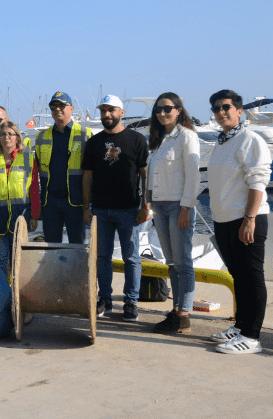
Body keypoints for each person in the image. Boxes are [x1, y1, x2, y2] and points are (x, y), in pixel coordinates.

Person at [206, 89, 271, 354]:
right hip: (224, 220)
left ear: (239, 111)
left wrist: (250, 218)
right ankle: (241, 326)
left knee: (252, 277)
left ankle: (252, 337)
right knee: (238, 276)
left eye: (226, 107)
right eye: (216, 108)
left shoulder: (249, 139)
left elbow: (258, 181)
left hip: (245, 219)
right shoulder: (221, 142)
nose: (221, 112)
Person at [83, 95, 149, 321]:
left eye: (111, 110)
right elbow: (87, 176)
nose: (107, 114)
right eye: (103, 111)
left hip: (129, 209)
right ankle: (105, 299)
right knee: (102, 257)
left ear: (122, 112)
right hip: (100, 210)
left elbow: (145, 174)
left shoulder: (136, 139)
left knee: (131, 258)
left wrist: (145, 205)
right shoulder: (94, 142)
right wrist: (86, 207)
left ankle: (131, 301)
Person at [145, 93, 201, 334]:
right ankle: (177, 310)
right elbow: (151, 176)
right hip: (159, 206)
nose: (162, 113)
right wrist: (147, 202)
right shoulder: (158, 140)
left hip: (178, 205)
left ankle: (183, 314)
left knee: (183, 262)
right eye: (158, 109)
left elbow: (193, 175)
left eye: (167, 108)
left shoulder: (186, 136)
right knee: (171, 263)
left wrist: (186, 208)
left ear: (178, 110)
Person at [0, 121, 39, 275]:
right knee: (1, 259)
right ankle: (3, 289)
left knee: (19, 259)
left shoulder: (28, 159)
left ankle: (17, 290)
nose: (6, 137)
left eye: (10, 134)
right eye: (3, 134)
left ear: (17, 137)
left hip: (21, 217)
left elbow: (33, 189)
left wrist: (34, 216)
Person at [34, 92, 92, 244]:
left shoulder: (85, 134)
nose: (57, 109)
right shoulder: (41, 137)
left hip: (75, 201)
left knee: (76, 247)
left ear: (71, 109)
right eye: (53, 107)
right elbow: (37, 170)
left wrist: (88, 205)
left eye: (61, 105)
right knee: (51, 247)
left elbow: (92, 171)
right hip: (50, 202)